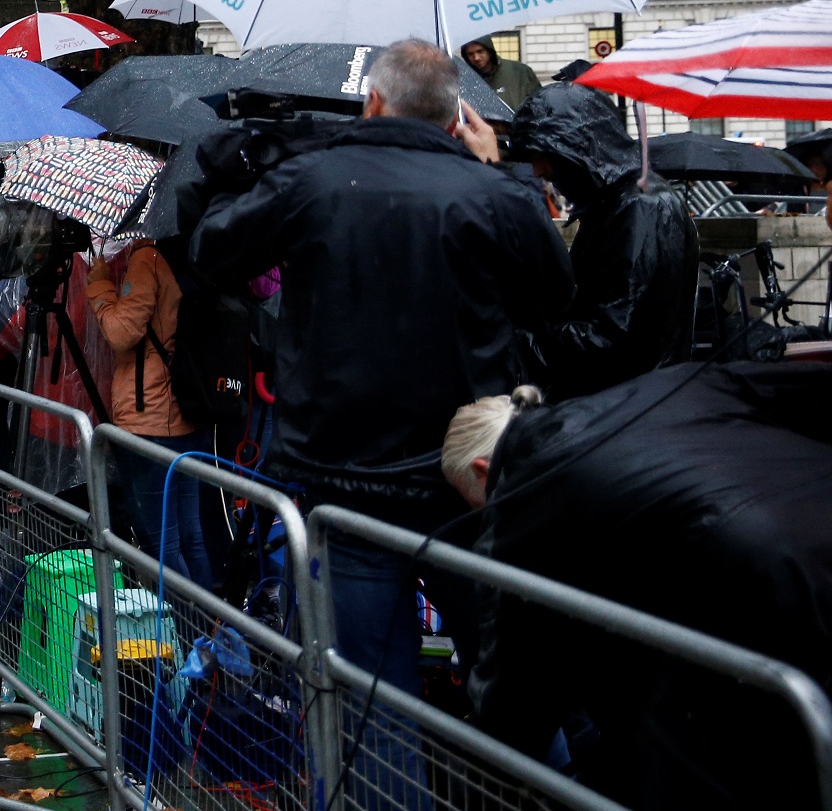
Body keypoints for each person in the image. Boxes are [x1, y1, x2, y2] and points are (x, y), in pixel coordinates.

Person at [190, 38, 573, 701]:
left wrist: (228, 169)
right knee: (516, 683)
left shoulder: (313, 181)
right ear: (458, 117)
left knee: (368, 698)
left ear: (372, 100)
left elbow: (212, 249)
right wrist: (505, 176)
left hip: (349, 478)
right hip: (468, 477)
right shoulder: (492, 191)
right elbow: (554, 300)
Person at [442, 361, 832, 808]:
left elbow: (512, 690)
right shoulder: (663, 383)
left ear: (482, 469)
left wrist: (481, 781)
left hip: (778, 595)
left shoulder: (525, 498)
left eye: (474, 506)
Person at [506, 83, 699, 398]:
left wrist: (530, 339)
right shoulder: (616, 203)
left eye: (543, 156)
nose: (539, 170)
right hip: (626, 399)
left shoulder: (640, 207)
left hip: (630, 405)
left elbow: (618, 336)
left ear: (577, 148)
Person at [85, 238, 215, 589]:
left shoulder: (148, 257)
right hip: (190, 409)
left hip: (151, 418)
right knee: (192, 536)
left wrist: (99, 285)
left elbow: (122, 332)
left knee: (162, 546)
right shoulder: (194, 249)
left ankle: (192, 634)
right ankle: (212, 632)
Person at [459, 35, 543, 112]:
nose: (476, 58)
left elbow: (540, 103)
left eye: (480, 51)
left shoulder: (520, 72)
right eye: (470, 54)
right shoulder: (464, 79)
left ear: (489, 51)